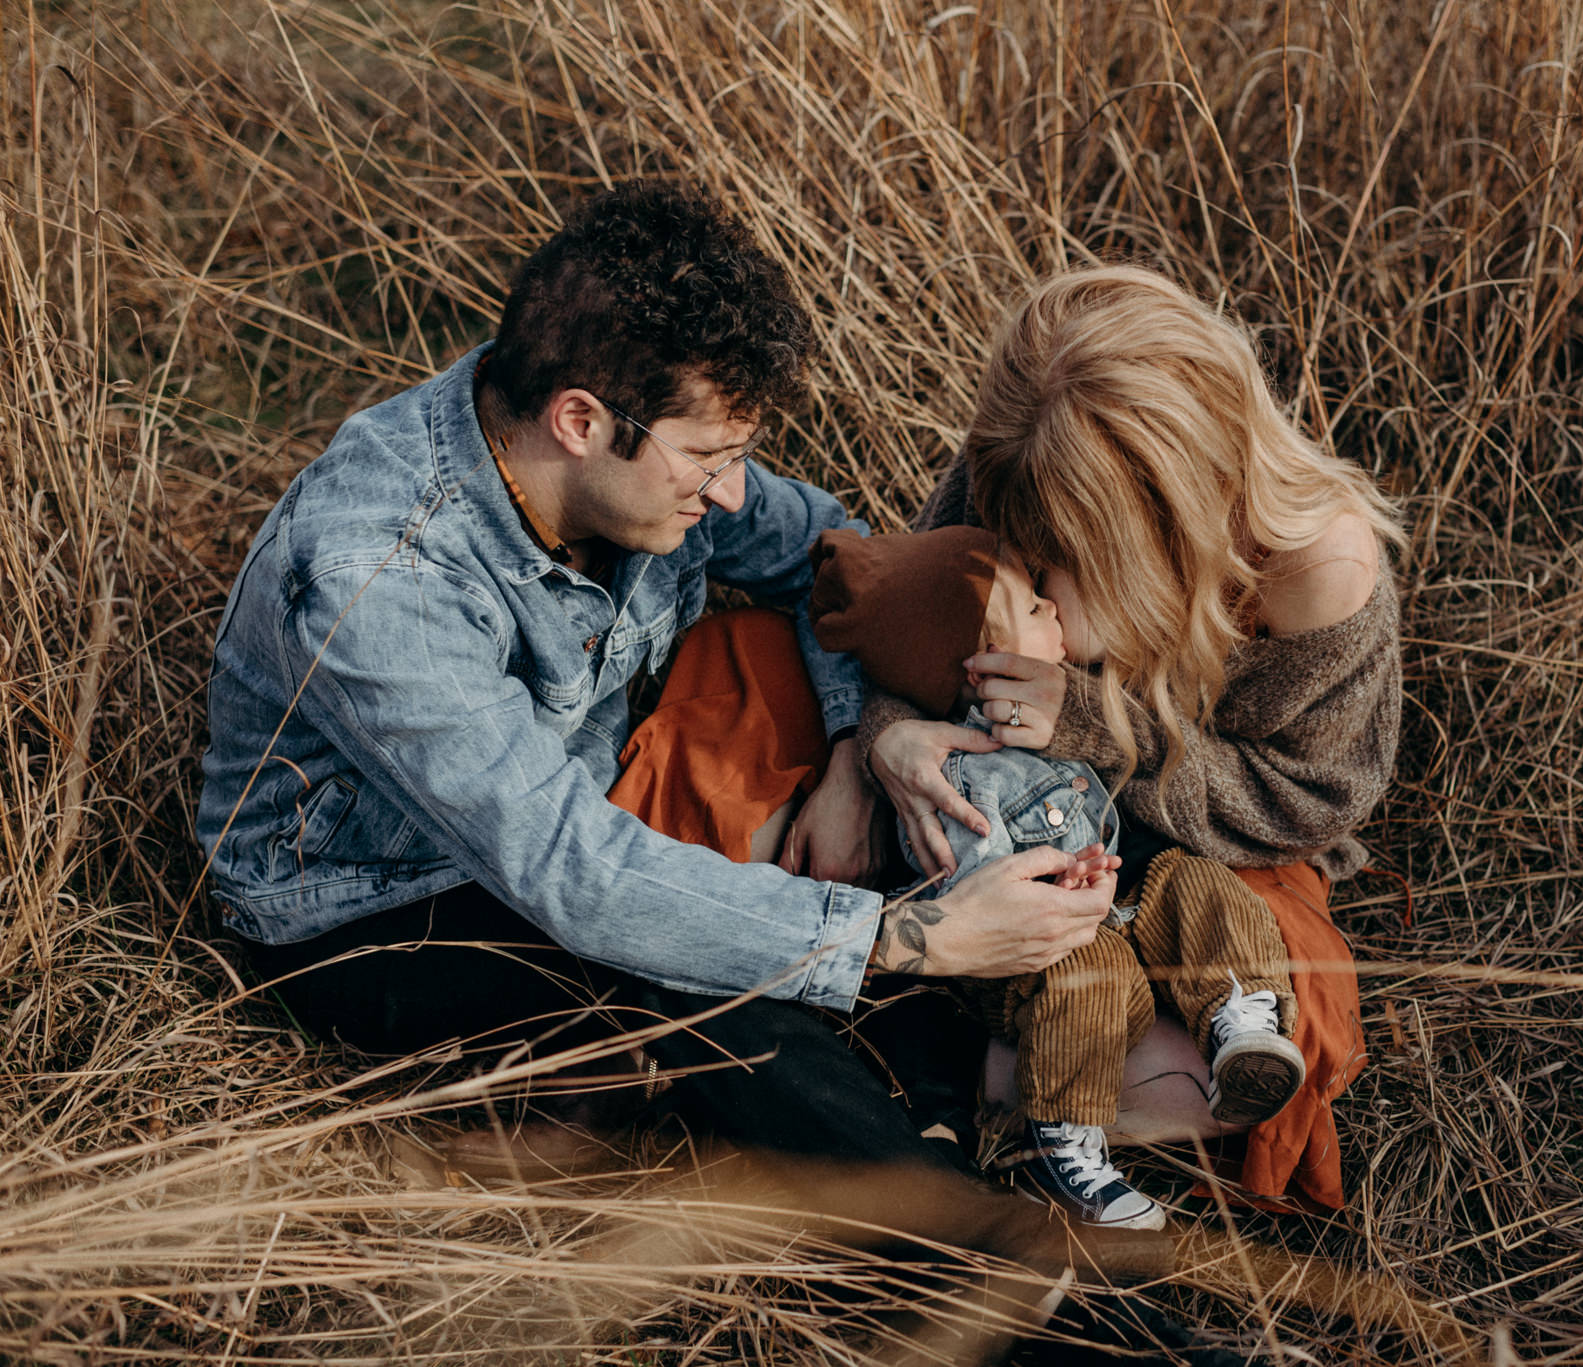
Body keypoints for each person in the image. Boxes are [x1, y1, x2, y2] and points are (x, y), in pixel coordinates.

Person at [193, 181, 1116, 1172]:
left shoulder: (632, 461)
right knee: (666, 980)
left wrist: (864, 746)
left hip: (593, 809)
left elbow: (833, 562)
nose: (729, 491)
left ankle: (954, 1098)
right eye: (708, 458)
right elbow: (573, 873)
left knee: (881, 787)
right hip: (375, 904)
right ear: (581, 421)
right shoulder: (379, 574)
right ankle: (965, 1244)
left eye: (739, 457)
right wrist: (905, 936)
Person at [860, 265, 1404, 1209]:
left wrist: (1095, 724)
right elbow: (910, 621)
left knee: (1269, 1047)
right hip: (1005, 801)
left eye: (1054, 563)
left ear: (1162, 536)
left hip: (1215, 855)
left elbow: (1306, 805)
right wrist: (878, 738)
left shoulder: (1318, 567)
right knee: (754, 771)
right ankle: (970, 1030)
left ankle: (951, 1056)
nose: (1022, 569)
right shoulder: (1028, 454)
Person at [807, 525, 1306, 1230]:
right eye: (1034, 607)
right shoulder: (953, 775)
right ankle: (1067, 1144)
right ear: (984, 664)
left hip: (1113, 888)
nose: (1052, 609)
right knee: (1088, 975)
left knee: (1194, 882)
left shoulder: (1058, 700)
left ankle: (1243, 1016)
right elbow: (975, 886)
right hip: (1039, 941)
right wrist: (1060, 888)